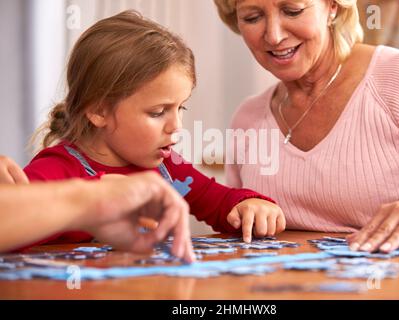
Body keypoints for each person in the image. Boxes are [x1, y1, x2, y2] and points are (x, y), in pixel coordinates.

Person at [23, 10, 286, 248]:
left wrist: (248, 205)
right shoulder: (55, 172)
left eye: (180, 108)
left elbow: (218, 202)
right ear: (99, 111)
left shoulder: (167, 167)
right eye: (158, 112)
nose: (176, 126)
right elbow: (14, 228)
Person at [214, 0, 399, 253]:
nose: (273, 36)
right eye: (252, 17)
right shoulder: (247, 118)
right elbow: (237, 228)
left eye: (292, 11)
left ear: (332, 7)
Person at [0, 156, 195, 261]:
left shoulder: (166, 160)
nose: (177, 126)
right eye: (157, 112)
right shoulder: (53, 165)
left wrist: (90, 202)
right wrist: (92, 198)